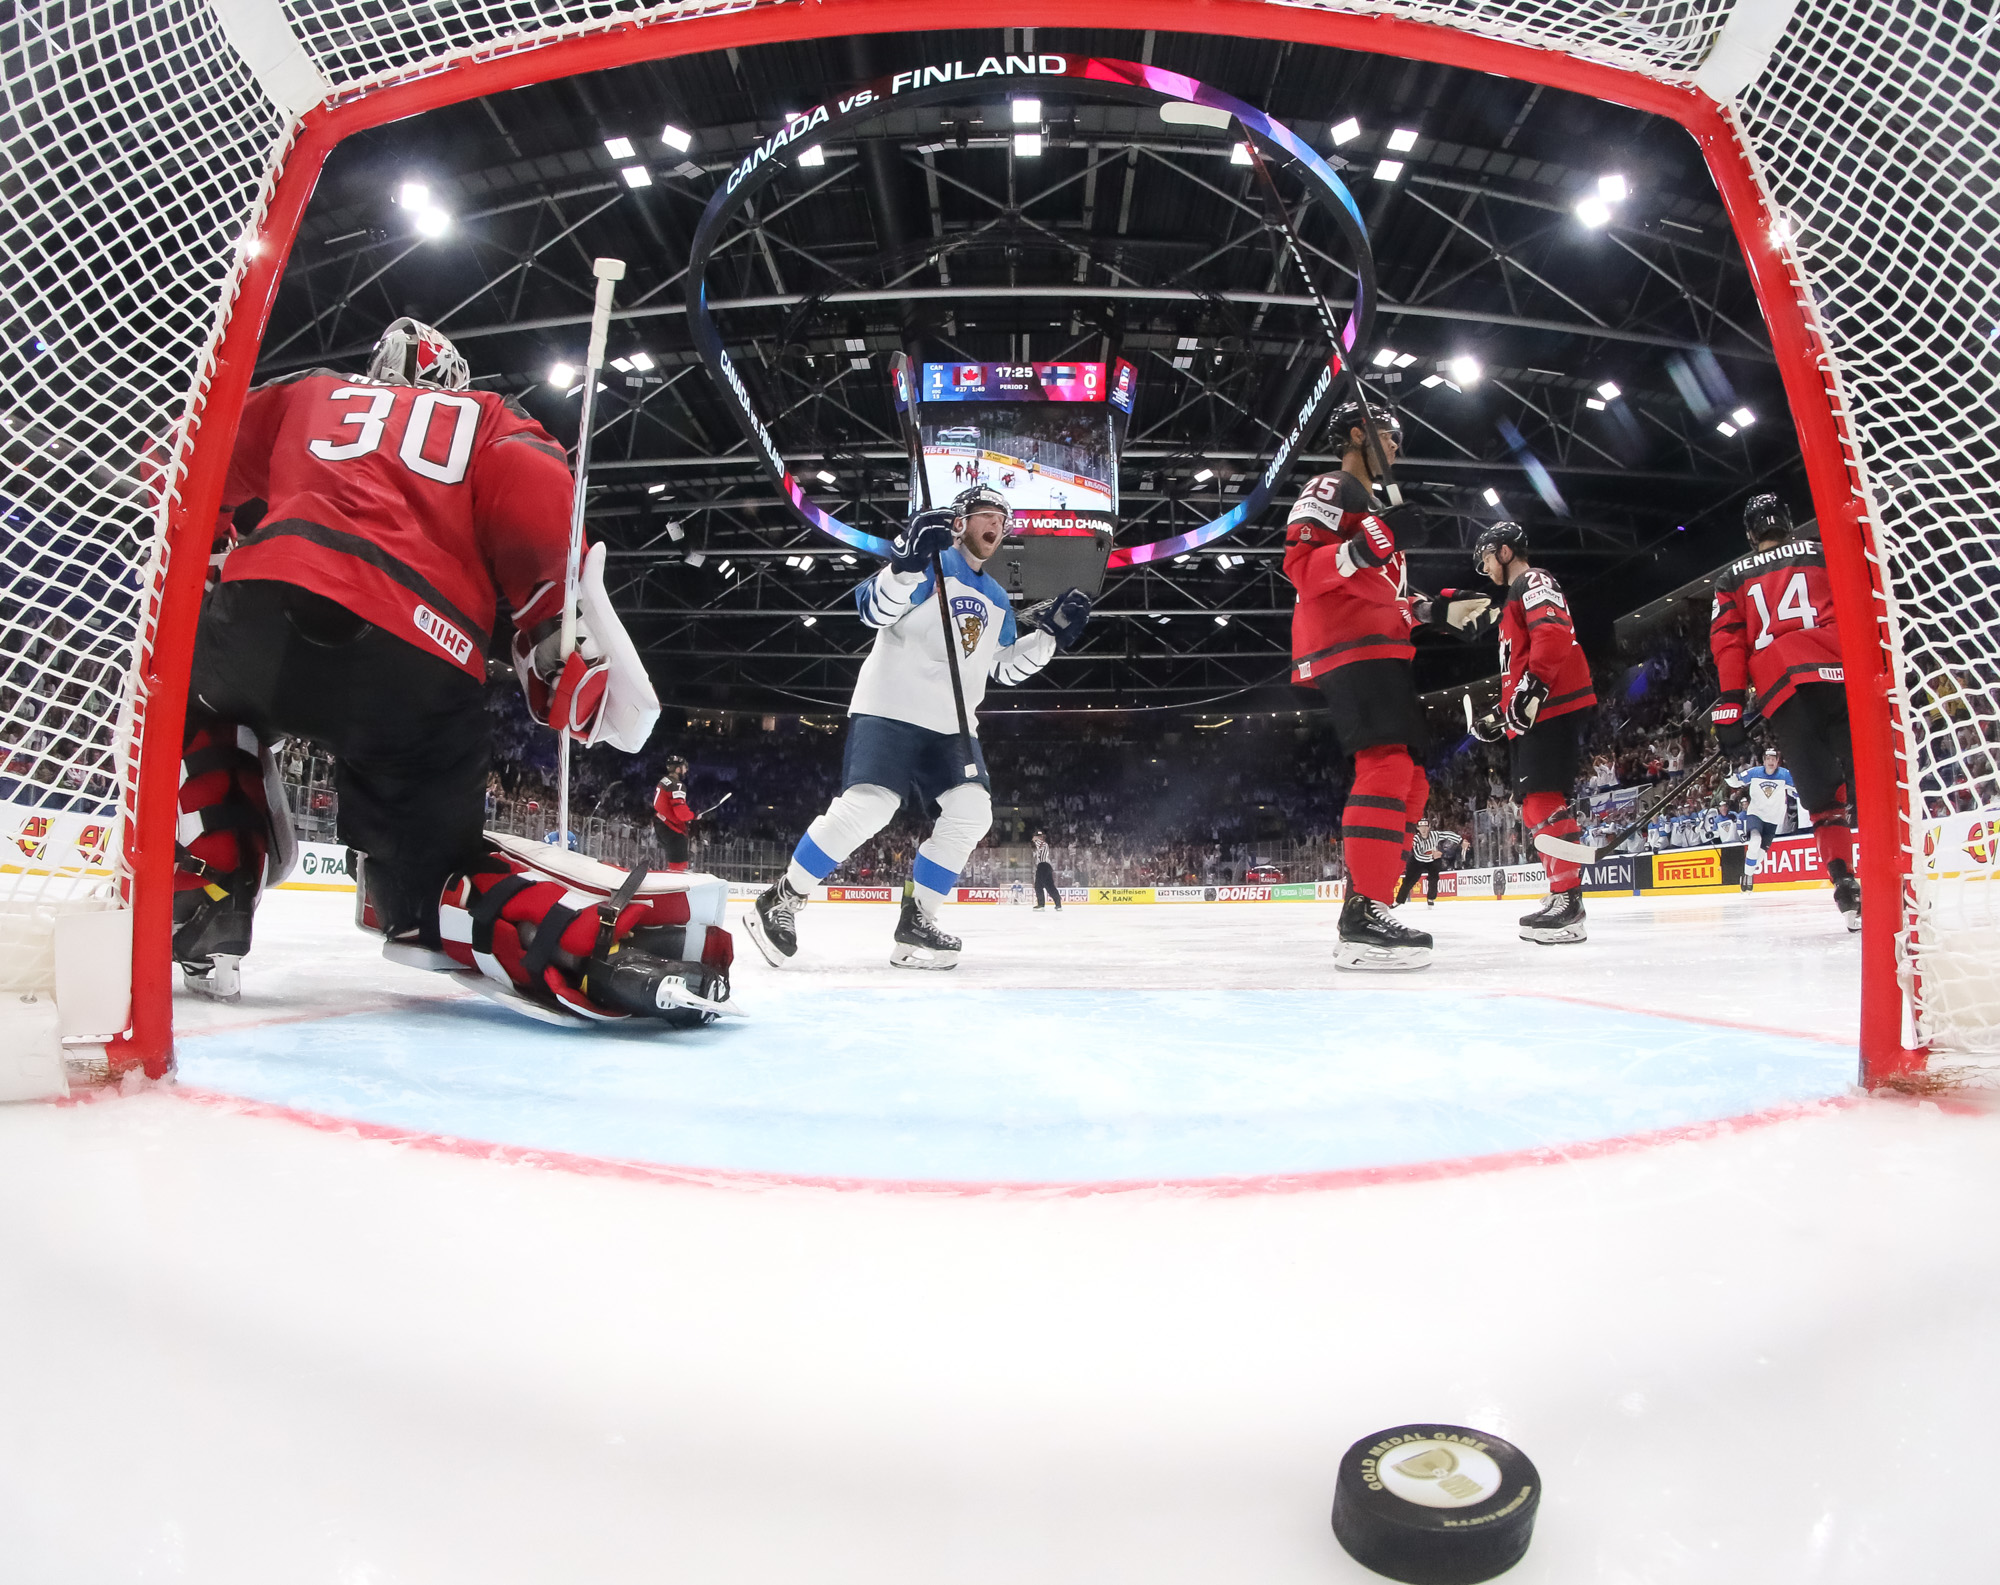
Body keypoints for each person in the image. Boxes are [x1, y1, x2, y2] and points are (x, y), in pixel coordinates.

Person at [175, 317, 728, 1021]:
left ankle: (211, 889)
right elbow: (535, 499)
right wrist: (552, 629)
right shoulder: (490, 416)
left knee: (187, 698)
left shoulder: (310, 394)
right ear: (454, 383)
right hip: (418, 658)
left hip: (268, 606)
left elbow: (186, 456)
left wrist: (225, 541)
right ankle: (589, 949)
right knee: (434, 886)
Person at [746, 485, 1092, 969]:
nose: (995, 523)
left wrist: (1049, 637)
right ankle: (781, 899)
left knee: (973, 813)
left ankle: (916, 924)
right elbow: (869, 609)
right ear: (960, 522)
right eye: (985, 514)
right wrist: (905, 565)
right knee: (870, 808)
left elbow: (1003, 668)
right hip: (892, 707)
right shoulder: (925, 563)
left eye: (1002, 517)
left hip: (953, 725)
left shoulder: (995, 597)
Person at [1284, 400, 1490, 970]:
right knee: (1387, 766)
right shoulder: (1333, 487)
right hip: (1348, 644)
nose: (1396, 447)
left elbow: (1386, 596)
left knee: (1415, 782)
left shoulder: (1374, 506)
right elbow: (1301, 566)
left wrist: (1434, 613)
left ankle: (1374, 903)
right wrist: (1370, 539)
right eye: (1388, 436)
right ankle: (1362, 915)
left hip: (1382, 643)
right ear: (1357, 435)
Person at [1709, 493, 1859, 929]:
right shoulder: (1821, 552)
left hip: (1785, 689)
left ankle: (1845, 883)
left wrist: (1730, 710)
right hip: (1841, 675)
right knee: (1872, 780)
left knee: (1823, 798)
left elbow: (1729, 645)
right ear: (1788, 523)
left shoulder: (1731, 577)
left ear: (1751, 533)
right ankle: (1899, 875)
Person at [1465, 521, 1597, 943]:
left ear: (1505, 552)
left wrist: (1537, 685)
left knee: (1544, 799)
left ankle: (1568, 901)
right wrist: (1500, 717)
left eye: (1487, 558)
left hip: (1552, 705)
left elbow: (1553, 634)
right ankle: (1563, 893)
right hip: (1535, 711)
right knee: (1534, 805)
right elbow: (1518, 671)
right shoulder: (1512, 600)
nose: (1485, 568)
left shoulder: (1533, 580)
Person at [1729, 746, 1799, 890]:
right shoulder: (1755, 772)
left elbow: (1798, 789)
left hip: (1773, 820)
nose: (1771, 761)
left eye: (1773, 759)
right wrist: (1727, 775)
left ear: (1778, 761)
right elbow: (1735, 782)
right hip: (1756, 815)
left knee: (1759, 856)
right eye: (1768, 759)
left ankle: (1747, 873)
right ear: (1764, 761)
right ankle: (1748, 876)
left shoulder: (1785, 775)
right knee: (1755, 841)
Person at [652, 755, 696, 872]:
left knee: (670, 862)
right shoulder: (677, 785)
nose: (686, 771)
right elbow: (681, 813)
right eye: (684, 768)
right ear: (678, 769)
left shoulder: (663, 781)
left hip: (660, 823)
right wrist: (693, 815)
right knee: (678, 867)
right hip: (672, 829)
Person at [1394, 817, 1447, 907]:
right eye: (1421, 827)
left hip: (1432, 859)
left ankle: (1431, 898)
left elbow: (1447, 836)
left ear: (1429, 827)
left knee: (1434, 877)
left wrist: (1439, 853)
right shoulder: (1415, 839)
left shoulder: (1435, 836)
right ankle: (1399, 900)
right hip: (1417, 860)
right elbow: (1417, 854)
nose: (1424, 829)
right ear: (1418, 828)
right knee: (1409, 881)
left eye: (1426, 826)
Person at [1031, 829, 1061, 911]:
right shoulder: (1042, 845)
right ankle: (1058, 904)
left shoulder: (1043, 844)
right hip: (1046, 867)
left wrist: (1035, 839)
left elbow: (1038, 843)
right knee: (1050, 886)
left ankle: (1041, 904)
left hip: (1043, 866)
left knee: (1038, 885)